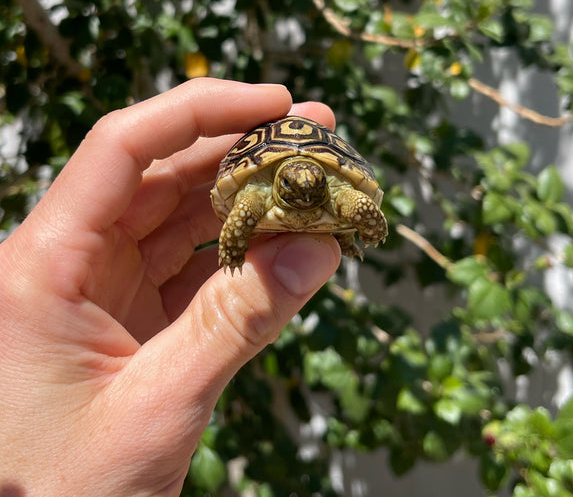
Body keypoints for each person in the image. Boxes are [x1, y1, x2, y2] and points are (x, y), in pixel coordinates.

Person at [0, 79, 341, 496]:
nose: (304, 197)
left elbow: (360, 199)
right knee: (248, 213)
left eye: (315, 190)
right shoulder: (255, 195)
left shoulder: (330, 190)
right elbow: (240, 211)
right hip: (259, 190)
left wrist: (363, 220)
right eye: (291, 188)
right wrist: (234, 266)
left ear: (325, 184)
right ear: (278, 183)